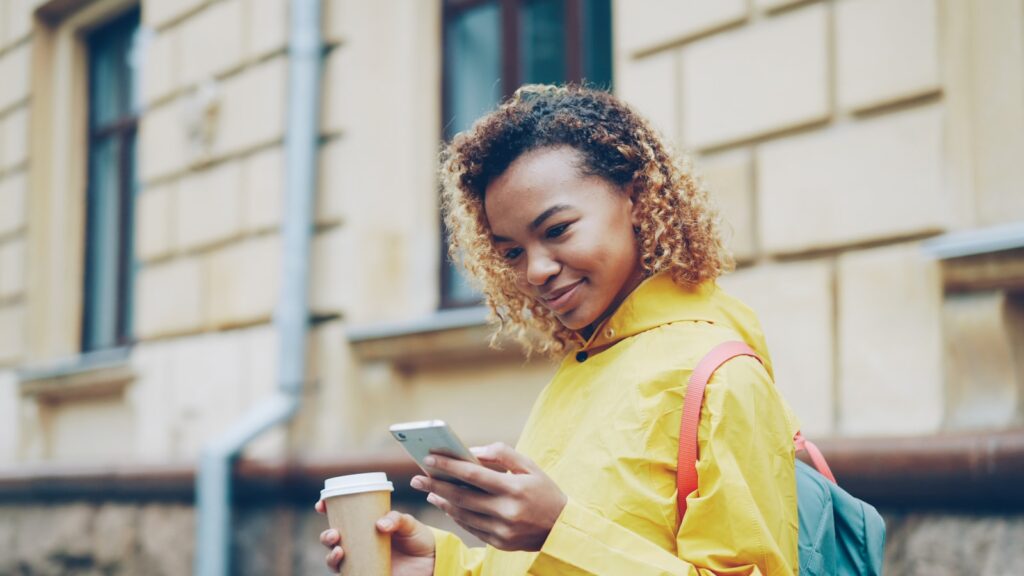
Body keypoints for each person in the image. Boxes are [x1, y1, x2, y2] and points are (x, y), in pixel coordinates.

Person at [316, 84, 800, 575]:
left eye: (556, 230)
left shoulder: (722, 376)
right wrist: (441, 564)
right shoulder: (585, 365)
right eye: (512, 252)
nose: (535, 271)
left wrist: (558, 529)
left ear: (635, 196)